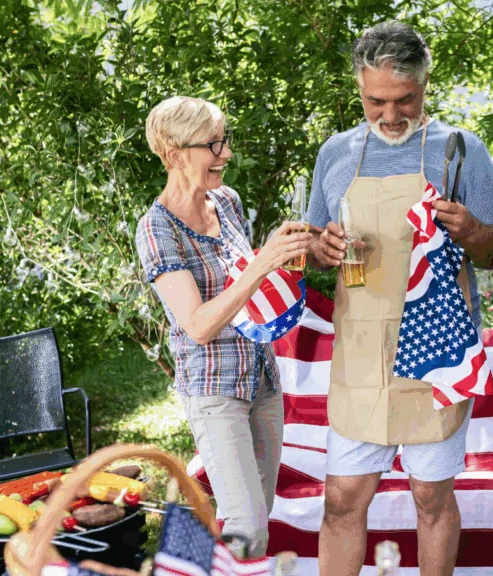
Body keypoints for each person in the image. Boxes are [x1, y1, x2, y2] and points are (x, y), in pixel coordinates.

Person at [306, 21, 493, 576]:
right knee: (342, 500)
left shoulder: (460, 151)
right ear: (359, 89)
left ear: (425, 86)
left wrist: (471, 230)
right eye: (376, 101)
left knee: (431, 500)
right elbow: (310, 250)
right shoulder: (336, 154)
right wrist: (320, 249)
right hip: (362, 356)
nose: (391, 115)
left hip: (437, 354)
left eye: (406, 100)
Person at [135, 96, 314, 557]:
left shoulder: (226, 201)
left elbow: (248, 291)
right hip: (215, 392)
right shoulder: (157, 229)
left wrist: (290, 260)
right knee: (246, 528)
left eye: (225, 140)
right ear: (175, 155)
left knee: (260, 514)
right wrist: (263, 261)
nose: (226, 154)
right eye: (213, 144)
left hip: (262, 380)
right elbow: (197, 325)